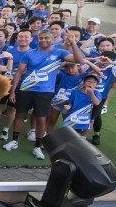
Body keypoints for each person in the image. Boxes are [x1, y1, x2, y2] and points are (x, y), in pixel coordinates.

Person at [5, 30, 86, 159]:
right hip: (26, 89)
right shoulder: (30, 53)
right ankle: (14, 141)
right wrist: (13, 91)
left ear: (53, 39)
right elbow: (19, 72)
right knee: (20, 115)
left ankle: (37, 147)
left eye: (46, 38)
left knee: (41, 119)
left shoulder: (59, 52)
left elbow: (79, 60)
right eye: (41, 38)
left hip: (45, 92)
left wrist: (73, 43)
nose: (43, 40)